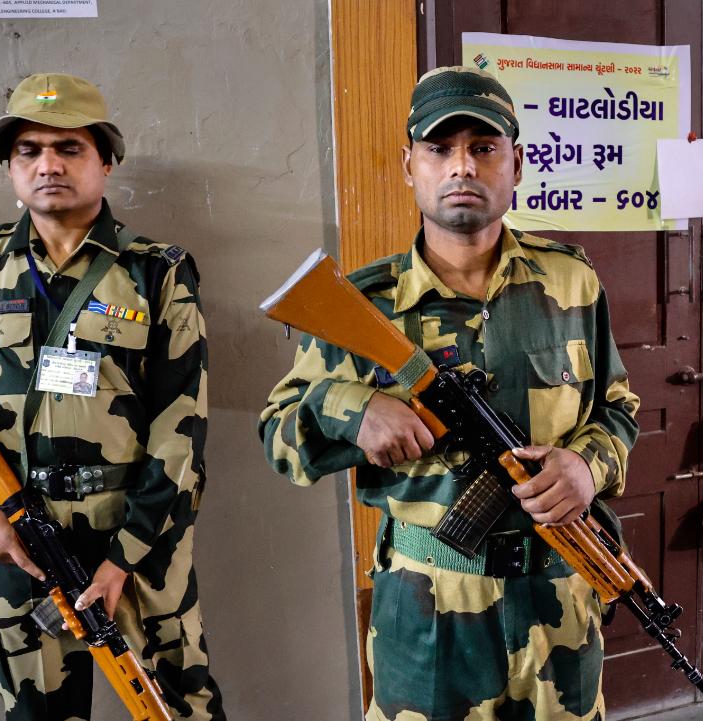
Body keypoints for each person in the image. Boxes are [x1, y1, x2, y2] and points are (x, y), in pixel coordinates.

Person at [259, 66, 639, 720]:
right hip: (430, 613)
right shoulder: (363, 305)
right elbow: (279, 435)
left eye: (484, 148)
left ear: (516, 165)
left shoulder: (572, 279)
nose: (462, 165)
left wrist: (586, 465)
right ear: (410, 165)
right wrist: (353, 410)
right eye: (440, 149)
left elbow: (618, 409)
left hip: (560, 605)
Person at [0, 73, 224, 720]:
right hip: (19, 539)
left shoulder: (155, 271)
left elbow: (181, 428)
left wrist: (124, 557)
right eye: (29, 150)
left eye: (69, 148)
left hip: (138, 540)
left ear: (106, 160)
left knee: (174, 707)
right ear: (9, 166)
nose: (48, 164)